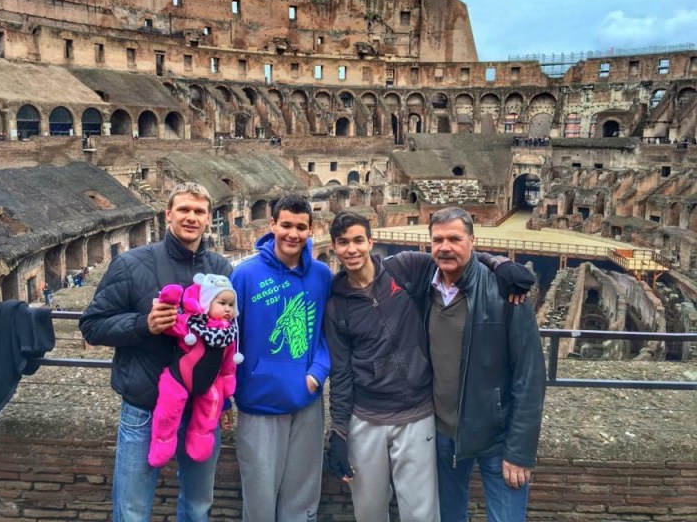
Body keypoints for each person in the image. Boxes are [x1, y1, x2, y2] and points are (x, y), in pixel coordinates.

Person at [324, 211, 535, 522]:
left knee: (426, 514)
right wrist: (339, 430)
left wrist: (499, 263)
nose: (352, 249)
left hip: (440, 420)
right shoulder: (339, 303)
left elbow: (529, 376)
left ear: (371, 241)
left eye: (358, 240)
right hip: (398, 420)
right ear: (334, 247)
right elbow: (340, 372)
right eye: (344, 242)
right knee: (379, 512)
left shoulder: (405, 268)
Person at [79, 182, 231, 522]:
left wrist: (226, 401)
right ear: (168, 214)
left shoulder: (221, 269)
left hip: (201, 408)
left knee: (198, 506)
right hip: (145, 407)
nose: (191, 217)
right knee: (132, 510)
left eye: (199, 211)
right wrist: (143, 324)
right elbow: (92, 325)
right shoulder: (131, 264)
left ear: (209, 218)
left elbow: (228, 339)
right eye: (184, 209)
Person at [385, 207, 545, 522]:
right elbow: (366, 266)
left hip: (498, 436)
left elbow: (530, 375)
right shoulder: (424, 285)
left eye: (455, 239)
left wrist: (520, 451)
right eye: (438, 240)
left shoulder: (506, 290)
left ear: (472, 241)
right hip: (443, 434)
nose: (445, 247)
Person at [230, 195, 332, 522]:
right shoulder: (244, 275)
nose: (293, 233)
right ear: (272, 224)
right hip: (258, 401)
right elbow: (229, 339)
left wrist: (317, 373)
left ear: (311, 229)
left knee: (303, 497)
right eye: (286, 225)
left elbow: (330, 332)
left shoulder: (322, 275)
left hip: (307, 398)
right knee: (259, 499)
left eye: (301, 227)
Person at [148, 273, 242, 467]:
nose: (227, 308)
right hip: (178, 378)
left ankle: (201, 440)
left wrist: (227, 387)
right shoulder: (192, 324)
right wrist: (169, 301)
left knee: (210, 411)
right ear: (207, 303)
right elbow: (171, 325)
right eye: (222, 303)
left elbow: (228, 365)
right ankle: (162, 443)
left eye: (231, 305)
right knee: (168, 410)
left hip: (210, 382)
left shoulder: (229, 334)